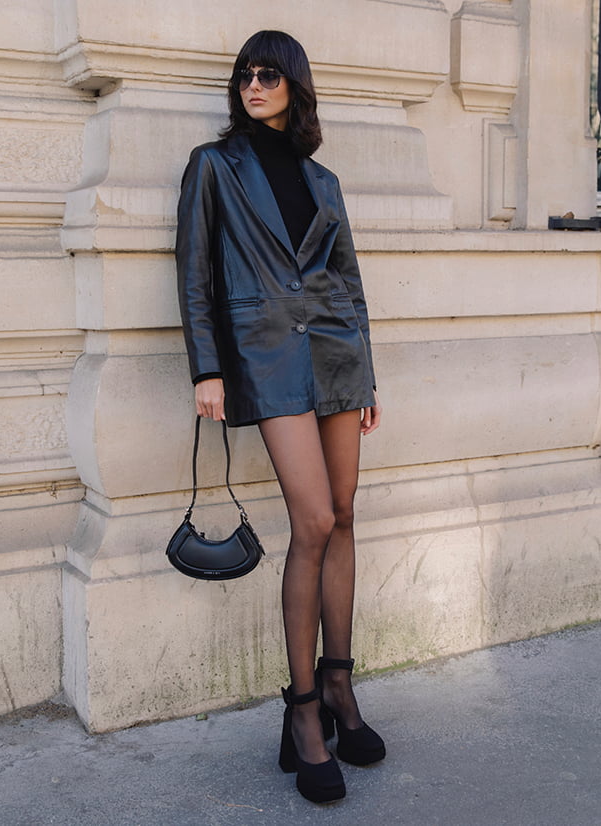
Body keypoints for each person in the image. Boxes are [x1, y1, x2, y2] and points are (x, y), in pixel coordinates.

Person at [177, 30, 385, 804]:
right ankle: (301, 714)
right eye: (245, 75)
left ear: (295, 85)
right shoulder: (215, 166)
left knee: (346, 516)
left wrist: (367, 373)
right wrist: (207, 367)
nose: (254, 85)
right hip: (266, 359)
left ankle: (341, 688)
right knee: (312, 522)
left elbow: (348, 281)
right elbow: (194, 271)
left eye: (269, 75)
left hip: (335, 355)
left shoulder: (323, 179)